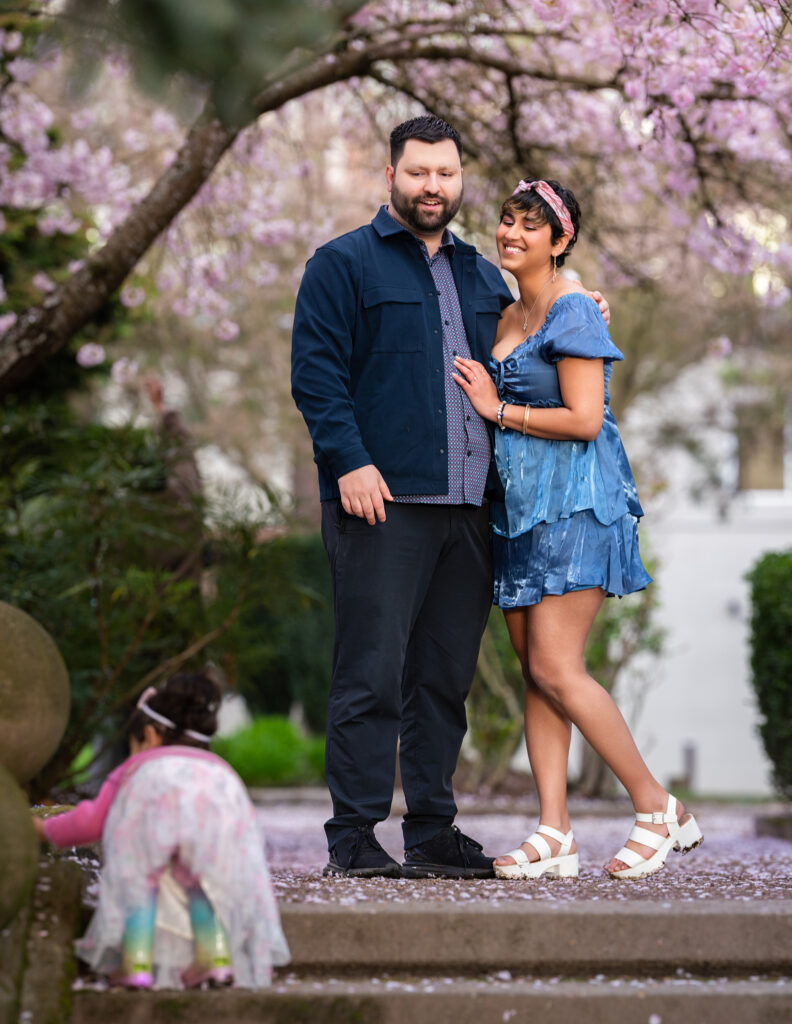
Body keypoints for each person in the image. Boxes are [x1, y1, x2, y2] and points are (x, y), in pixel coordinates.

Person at [290, 116, 608, 880]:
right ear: (390, 177)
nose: (432, 186)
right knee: (370, 672)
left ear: (460, 180)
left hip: (471, 509)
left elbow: (530, 345)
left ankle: (433, 829)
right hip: (382, 502)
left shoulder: (479, 277)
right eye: (418, 172)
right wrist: (350, 463)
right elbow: (317, 376)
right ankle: (356, 834)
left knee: (442, 679)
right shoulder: (343, 266)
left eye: (446, 174)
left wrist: (578, 306)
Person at [452, 178, 703, 880]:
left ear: (559, 242)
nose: (511, 233)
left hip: (577, 506)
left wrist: (496, 409)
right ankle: (554, 831)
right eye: (506, 220)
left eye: (530, 226)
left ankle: (658, 808)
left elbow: (586, 418)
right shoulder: (505, 317)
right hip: (517, 511)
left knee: (559, 667)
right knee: (538, 676)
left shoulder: (573, 312)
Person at [33, 673, 289, 987]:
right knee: (200, 885)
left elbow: (91, 822)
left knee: (140, 884)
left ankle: (135, 964)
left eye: (134, 745)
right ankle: (216, 960)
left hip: (150, 824)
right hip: (216, 831)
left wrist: (46, 830)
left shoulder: (138, 768)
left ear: (152, 736)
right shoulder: (220, 771)